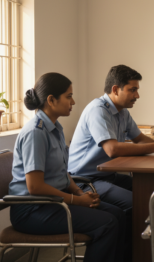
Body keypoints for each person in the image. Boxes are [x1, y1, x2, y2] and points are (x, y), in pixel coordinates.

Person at [9, 73, 127, 262]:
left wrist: (80, 193)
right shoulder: (36, 132)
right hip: (33, 210)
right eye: (68, 96)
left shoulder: (55, 129)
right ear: (51, 100)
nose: (73, 102)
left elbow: (62, 173)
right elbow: (35, 187)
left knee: (118, 214)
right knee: (107, 223)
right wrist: (75, 200)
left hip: (54, 202)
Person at [68, 65, 154, 261]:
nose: (137, 95)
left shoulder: (122, 112)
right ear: (115, 89)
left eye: (137, 90)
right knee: (140, 204)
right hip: (84, 180)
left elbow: (140, 139)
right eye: (132, 90)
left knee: (151, 192)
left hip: (106, 175)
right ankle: (133, 256)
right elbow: (113, 149)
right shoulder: (98, 110)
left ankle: (132, 254)